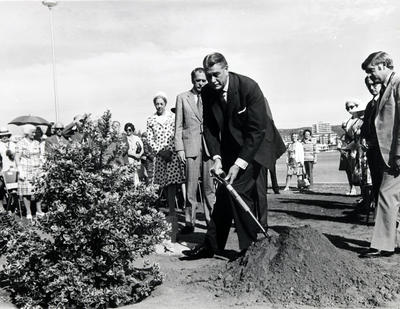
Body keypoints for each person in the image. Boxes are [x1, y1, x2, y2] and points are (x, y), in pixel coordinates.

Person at [182, 52, 285, 259]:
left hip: (258, 145)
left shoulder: (249, 87)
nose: (212, 81)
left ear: (227, 68)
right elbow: (210, 129)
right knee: (223, 194)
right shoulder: (209, 92)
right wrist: (217, 158)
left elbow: (257, 131)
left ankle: (251, 250)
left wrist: (239, 164)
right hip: (233, 147)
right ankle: (212, 246)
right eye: (209, 75)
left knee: (238, 190)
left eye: (217, 75)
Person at [359, 52, 400, 258]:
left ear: (384, 65)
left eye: (372, 71)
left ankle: (384, 245)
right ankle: (388, 243)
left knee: (386, 194)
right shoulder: (387, 88)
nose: (370, 76)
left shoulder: (398, 85)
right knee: (389, 196)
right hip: (388, 154)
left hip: (395, 154)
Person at [174, 67, 216, 234]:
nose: (201, 83)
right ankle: (189, 222)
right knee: (190, 187)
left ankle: (210, 221)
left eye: (204, 80)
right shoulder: (182, 98)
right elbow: (177, 126)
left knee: (209, 187)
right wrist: (179, 149)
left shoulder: (212, 98)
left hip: (208, 148)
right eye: (198, 80)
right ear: (192, 80)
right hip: (189, 147)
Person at [147, 92, 185, 241]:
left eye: (161, 103)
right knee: (159, 185)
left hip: (172, 154)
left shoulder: (172, 117)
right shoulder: (151, 119)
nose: (159, 106)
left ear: (165, 104)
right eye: (157, 103)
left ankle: (172, 215)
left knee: (172, 186)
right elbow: (150, 138)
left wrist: (170, 150)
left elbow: (176, 133)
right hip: (160, 156)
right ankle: (153, 215)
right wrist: (159, 151)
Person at [360, 77, 383, 209]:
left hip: (383, 149)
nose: (372, 87)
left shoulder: (385, 101)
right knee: (376, 183)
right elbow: (365, 126)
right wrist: (363, 139)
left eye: (375, 84)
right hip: (372, 151)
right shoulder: (370, 104)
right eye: (369, 85)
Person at [15, 125, 44, 221]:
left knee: (39, 191)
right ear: (27, 133)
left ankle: (39, 210)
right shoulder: (20, 143)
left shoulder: (37, 142)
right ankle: (28, 212)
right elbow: (17, 157)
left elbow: (40, 156)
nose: (35, 134)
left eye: (35, 132)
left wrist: (42, 167)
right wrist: (20, 170)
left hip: (37, 170)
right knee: (26, 193)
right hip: (25, 170)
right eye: (33, 132)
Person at [338, 100, 364, 196]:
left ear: (357, 106)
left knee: (360, 169)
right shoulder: (348, 120)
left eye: (351, 107)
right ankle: (352, 188)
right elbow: (348, 134)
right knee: (349, 169)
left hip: (357, 146)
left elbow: (359, 135)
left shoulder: (362, 119)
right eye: (347, 108)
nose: (349, 109)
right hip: (348, 147)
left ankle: (363, 192)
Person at [0, 127, 16, 212]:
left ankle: (13, 207)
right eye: (2, 136)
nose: (4, 137)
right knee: (1, 188)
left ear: (8, 135)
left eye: (5, 135)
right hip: (3, 170)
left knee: (14, 191)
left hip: (14, 169)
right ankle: (2, 207)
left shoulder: (13, 144)